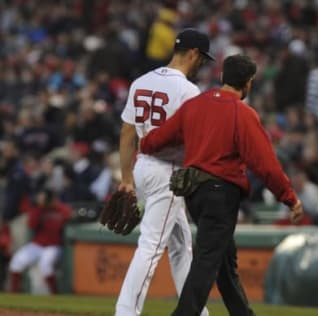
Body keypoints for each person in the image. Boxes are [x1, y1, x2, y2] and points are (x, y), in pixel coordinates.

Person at [140, 54, 304, 316]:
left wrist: (143, 143)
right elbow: (265, 164)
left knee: (224, 263)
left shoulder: (195, 105)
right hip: (220, 194)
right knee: (207, 260)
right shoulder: (242, 113)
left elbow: (156, 139)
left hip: (193, 193)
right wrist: (289, 197)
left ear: (222, 76)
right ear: (248, 83)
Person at [115, 29, 213, 316]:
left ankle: (197, 312)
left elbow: (126, 134)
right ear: (193, 53)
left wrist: (126, 180)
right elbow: (194, 140)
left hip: (142, 167)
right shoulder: (188, 90)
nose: (202, 65)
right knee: (151, 245)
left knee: (182, 245)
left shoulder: (141, 81)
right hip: (168, 172)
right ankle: (125, 312)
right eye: (202, 59)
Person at [8, 188, 73, 294]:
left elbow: (69, 214)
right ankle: (14, 293)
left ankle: (55, 294)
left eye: (43, 197)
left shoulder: (59, 209)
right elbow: (31, 224)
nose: (41, 199)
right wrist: (40, 207)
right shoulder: (38, 210)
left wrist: (54, 204)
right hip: (37, 245)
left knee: (45, 265)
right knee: (16, 262)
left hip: (53, 246)